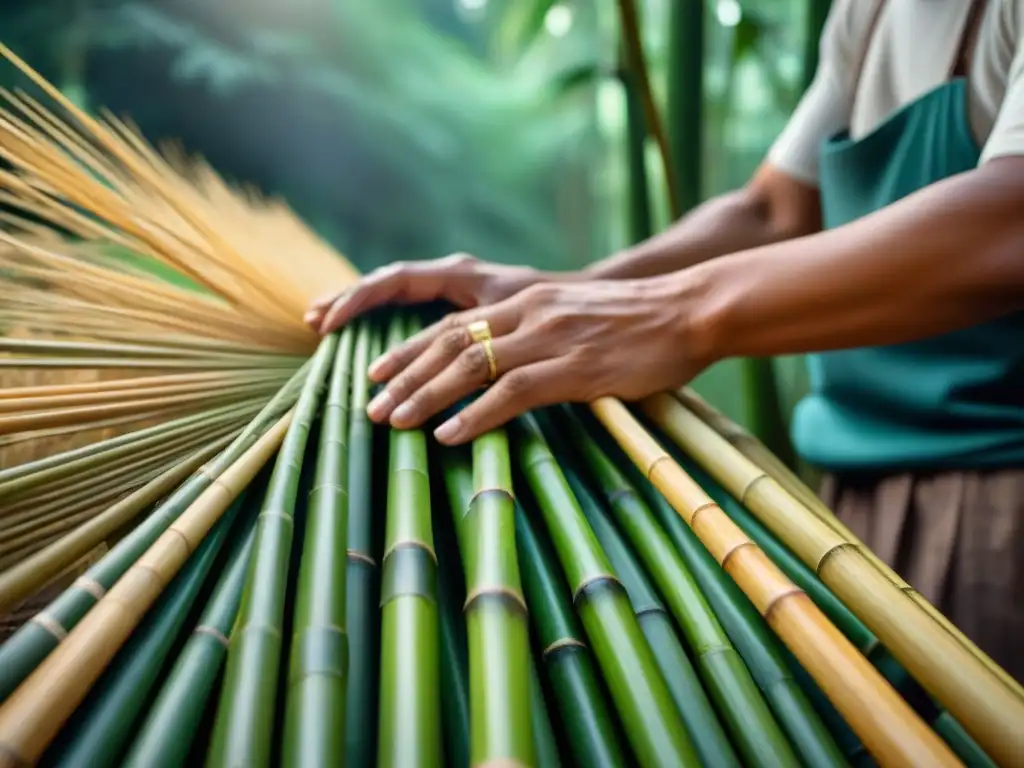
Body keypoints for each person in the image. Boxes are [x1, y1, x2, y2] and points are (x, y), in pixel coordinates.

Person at [306, 0, 1024, 681]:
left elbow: (1009, 222)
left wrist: (678, 317)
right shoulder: (868, 13)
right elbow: (774, 210)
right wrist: (571, 294)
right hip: (849, 491)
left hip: (996, 504)